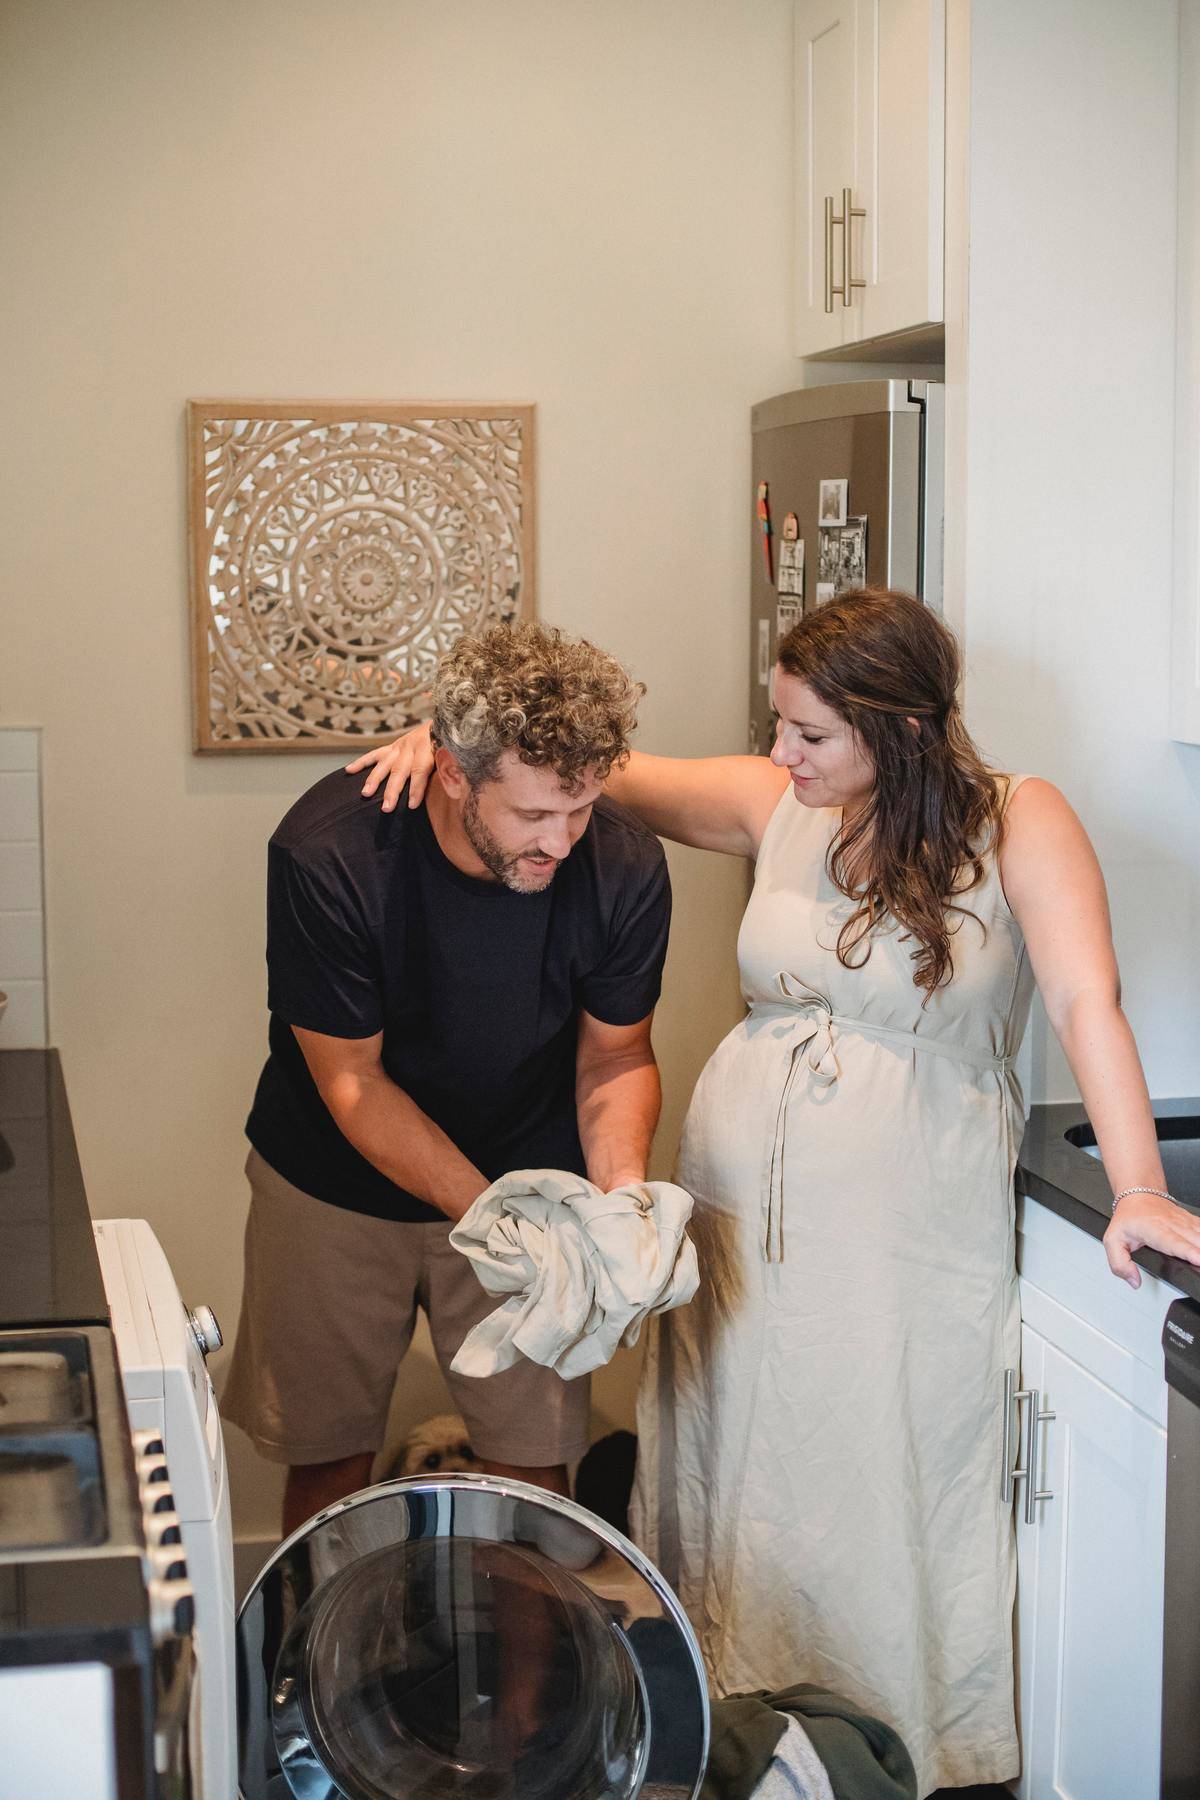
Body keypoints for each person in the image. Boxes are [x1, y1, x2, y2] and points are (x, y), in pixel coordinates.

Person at [353, 588, 1200, 1797]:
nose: (777, 754)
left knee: (875, 1462)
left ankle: (885, 1747)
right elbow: (585, 768)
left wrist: (1135, 1187)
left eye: (808, 732)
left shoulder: (1021, 820)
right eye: (777, 725)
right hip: (742, 1214)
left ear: (896, 729)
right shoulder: (779, 803)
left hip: (904, 1227)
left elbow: (1085, 1004)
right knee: (736, 1463)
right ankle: (737, 1732)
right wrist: (438, 749)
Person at [222, 622, 671, 1537]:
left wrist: (619, 1196)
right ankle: (315, 1675)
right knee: (329, 1460)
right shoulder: (330, 853)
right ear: (452, 774)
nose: (562, 840)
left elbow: (616, 1056)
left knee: (537, 1476)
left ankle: (530, 1686)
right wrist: (491, 1213)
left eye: (580, 808)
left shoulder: (620, 861)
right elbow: (353, 1084)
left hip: (533, 1169)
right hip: (333, 1185)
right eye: (534, 816)